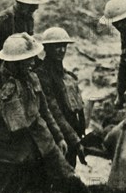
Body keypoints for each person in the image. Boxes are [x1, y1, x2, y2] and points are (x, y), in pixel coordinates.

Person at [0, 33, 92, 193]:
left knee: (72, 182)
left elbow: (45, 111)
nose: (31, 63)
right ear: (12, 62)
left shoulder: (32, 78)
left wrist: (59, 137)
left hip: (44, 146)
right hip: (11, 156)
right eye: (26, 60)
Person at [35, 27, 87, 168]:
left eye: (64, 46)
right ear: (46, 48)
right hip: (56, 136)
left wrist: (79, 135)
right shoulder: (42, 75)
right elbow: (54, 111)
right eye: (56, 46)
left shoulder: (67, 75)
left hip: (71, 133)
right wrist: (74, 139)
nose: (62, 50)